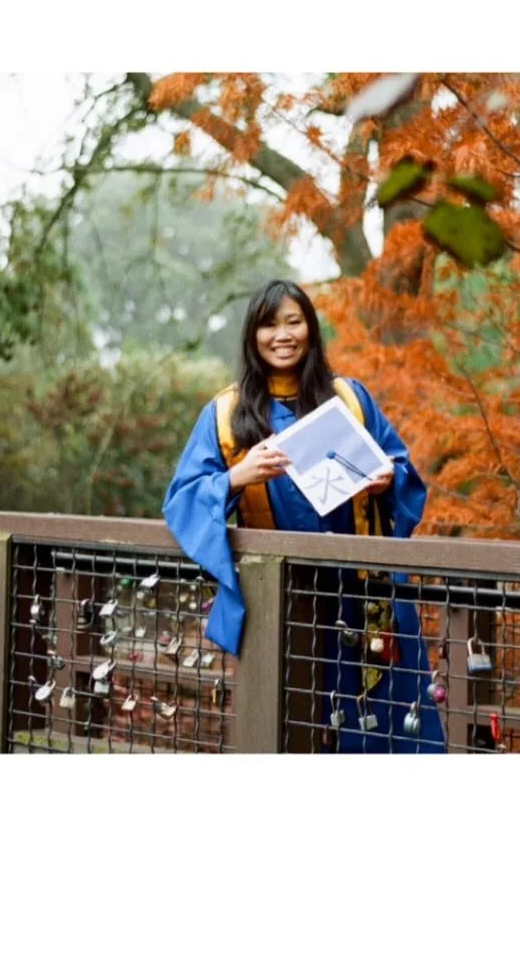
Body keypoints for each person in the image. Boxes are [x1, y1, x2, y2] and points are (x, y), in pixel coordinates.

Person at [163, 278, 445, 752]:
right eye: (270, 325)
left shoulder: (349, 397)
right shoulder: (226, 413)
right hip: (283, 598)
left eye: (294, 322)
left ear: (311, 330)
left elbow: (401, 471)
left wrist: (385, 479)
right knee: (292, 728)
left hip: (362, 594)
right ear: (253, 336)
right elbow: (183, 498)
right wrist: (238, 476)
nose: (283, 335)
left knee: (383, 730)